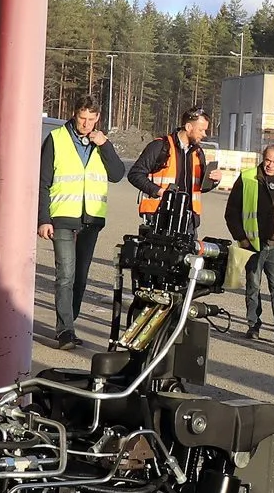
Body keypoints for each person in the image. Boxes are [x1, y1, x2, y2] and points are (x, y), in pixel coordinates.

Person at [40, 98, 127, 349]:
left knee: (80, 277)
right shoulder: (56, 139)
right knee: (65, 274)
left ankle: (71, 322)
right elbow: (43, 181)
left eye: (91, 120)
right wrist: (44, 219)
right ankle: (65, 330)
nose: (86, 124)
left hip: (91, 219)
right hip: (63, 217)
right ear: (74, 115)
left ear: (97, 118)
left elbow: (117, 174)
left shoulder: (101, 142)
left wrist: (105, 145)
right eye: (82, 118)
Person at [228, 145, 274, 341]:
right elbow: (232, 212)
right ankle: (253, 326)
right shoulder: (248, 178)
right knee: (253, 286)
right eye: (267, 160)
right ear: (262, 157)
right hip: (252, 245)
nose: (270, 165)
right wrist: (241, 237)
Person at [130, 106, 219, 216]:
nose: (204, 134)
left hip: (189, 218)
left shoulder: (198, 152)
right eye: (201, 130)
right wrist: (159, 191)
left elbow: (201, 187)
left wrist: (214, 180)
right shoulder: (160, 146)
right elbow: (135, 174)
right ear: (188, 127)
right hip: (159, 215)